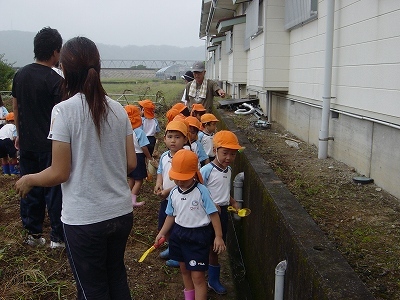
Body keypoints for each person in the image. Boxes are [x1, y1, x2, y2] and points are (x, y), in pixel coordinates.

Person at [15, 36, 136, 300]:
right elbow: (131, 163)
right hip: (120, 213)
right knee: (116, 279)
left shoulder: (63, 111)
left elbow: (59, 172)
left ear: (65, 69)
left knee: (92, 290)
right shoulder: (119, 110)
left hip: (84, 220)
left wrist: (29, 179)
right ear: (99, 66)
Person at [12, 27, 64, 248]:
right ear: (55, 52)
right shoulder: (55, 79)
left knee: (29, 186)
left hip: (27, 143)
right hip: (50, 145)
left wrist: (19, 134)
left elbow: (16, 106)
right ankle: (57, 238)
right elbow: (60, 114)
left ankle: (33, 234)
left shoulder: (20, 74)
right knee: (53, 190)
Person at [155, 149, 226, 300]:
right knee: (184, 270)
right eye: (177, 178)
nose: (180, 182)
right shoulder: (174, 192)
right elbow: (170, 215)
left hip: (198, 236)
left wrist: (218, 236)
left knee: (198, 276)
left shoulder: (202, 191)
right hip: (179, 234)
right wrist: (162, 232)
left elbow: (213, 214)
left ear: (194, 173)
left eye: (184, 178)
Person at [200, 130, 243, 295]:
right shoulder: (207, 170)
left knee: (216, 247)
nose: (228, 158)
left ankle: (213, 279)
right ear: (215, 150)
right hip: (207, 214)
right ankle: (200, 273)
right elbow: (199, 190)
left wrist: (232, 201)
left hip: (222, 213)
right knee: (206, 243)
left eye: (233, 154)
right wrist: (211, 204)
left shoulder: (229, 170)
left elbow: (224, 190)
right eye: (225, 153)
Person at [154, 120, 188, 268]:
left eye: (177, 137)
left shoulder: (185, 157)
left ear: (185, 139)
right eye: (170, 136)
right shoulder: (164, 156)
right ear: (164, 139)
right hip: (166, 199)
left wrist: (168, 190)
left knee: (177, 227)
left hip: (180, 199)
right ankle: (171, 247)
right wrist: (159, 184)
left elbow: (186, 179)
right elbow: (160, 171)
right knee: (164, 223)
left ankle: (177, 253)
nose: (173, 140)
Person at [124, 104, 153, 207]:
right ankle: (132, 201)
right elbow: (144, 147)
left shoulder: (125, 131)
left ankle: (125, 197)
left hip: (128, 156)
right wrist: (149, 157)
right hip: (139, 157)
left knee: (131, 178)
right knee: (139, 180)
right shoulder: (139, 132)